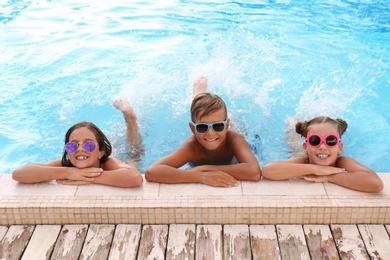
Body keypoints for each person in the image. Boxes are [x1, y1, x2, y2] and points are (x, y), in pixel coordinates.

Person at [145, 76, 261, 187]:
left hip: (233, 131)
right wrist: (200, 177)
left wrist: (205, 168)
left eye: (218, 126)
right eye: (202, 127)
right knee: (202, 111)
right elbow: (152, 172)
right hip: (217, 129)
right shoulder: (192, 146)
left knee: (243, 133)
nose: (210, 133)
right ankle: (199, 96)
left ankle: (200, 95)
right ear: (193, 129)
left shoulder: (234, 139)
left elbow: (254, 172)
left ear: (226, 127)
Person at [262, 116, 384, 193]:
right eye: (315, 140)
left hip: (316, 156)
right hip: (307, 156)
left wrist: (329, 176)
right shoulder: (302, 162)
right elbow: (268, 170)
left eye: (330, 140)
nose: (322, 146)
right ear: (306, 147)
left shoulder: (342, 162)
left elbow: (376, 184)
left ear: (339, 147)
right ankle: (291, 125)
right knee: (293, 145)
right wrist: (316, 169)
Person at [12, 119, 143, 188]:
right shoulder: (66, 165)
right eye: (73, 145)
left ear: (100, 152)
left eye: (89, 145)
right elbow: (19, 174)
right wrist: (69, 173)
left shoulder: (108, 162)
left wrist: (82, 177)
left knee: (133, 153)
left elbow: (135, 178)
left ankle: (130, 120)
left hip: (120, 160)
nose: (80, 149)